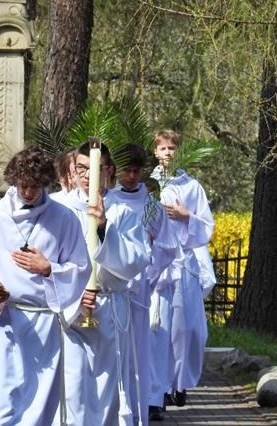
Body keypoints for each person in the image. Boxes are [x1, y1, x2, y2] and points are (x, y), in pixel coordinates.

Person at [0, 146, 90, 426]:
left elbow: (81, 268)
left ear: (46, 183)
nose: (28, 192)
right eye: (23, 185)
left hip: (43, 325)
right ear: (13, 180)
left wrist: (49, 268)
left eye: (35, 186)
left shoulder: (64, 218)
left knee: (36, 406)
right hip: (5, 321)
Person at [54, 142, 149, 426]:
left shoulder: (123, 211)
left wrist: (104, 227)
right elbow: (50, 260)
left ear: (108, 171)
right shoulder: (60, 209)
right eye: (81, 168)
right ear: (73, 170)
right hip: (71, 311)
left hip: (108, 308)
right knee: (73, 388)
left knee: (107, 392)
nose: (87, 175)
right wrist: (73, 292)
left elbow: (135, 261)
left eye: (94, 168)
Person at [107, 143, 180, 424]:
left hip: (139, 290)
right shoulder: (108, 201)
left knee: (141, 348)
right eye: (126, 170)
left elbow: (168, 246)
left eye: (136, 171)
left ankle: (144, 404)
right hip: (111, 286)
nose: (131, 177)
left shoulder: (150, 206)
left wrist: (149, 270)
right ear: (115, 170)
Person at [150, 129, 214, 410]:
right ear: (155, 152)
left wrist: (187, 217)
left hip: (184, 262)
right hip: (158, 266)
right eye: (163, 148)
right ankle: (160, 389)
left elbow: (206, 225)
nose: (168, 153)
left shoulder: (192, 187)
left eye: (172, 148)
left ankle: (180, 382)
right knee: (159, 327)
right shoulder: (150, 185)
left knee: (186, 328)